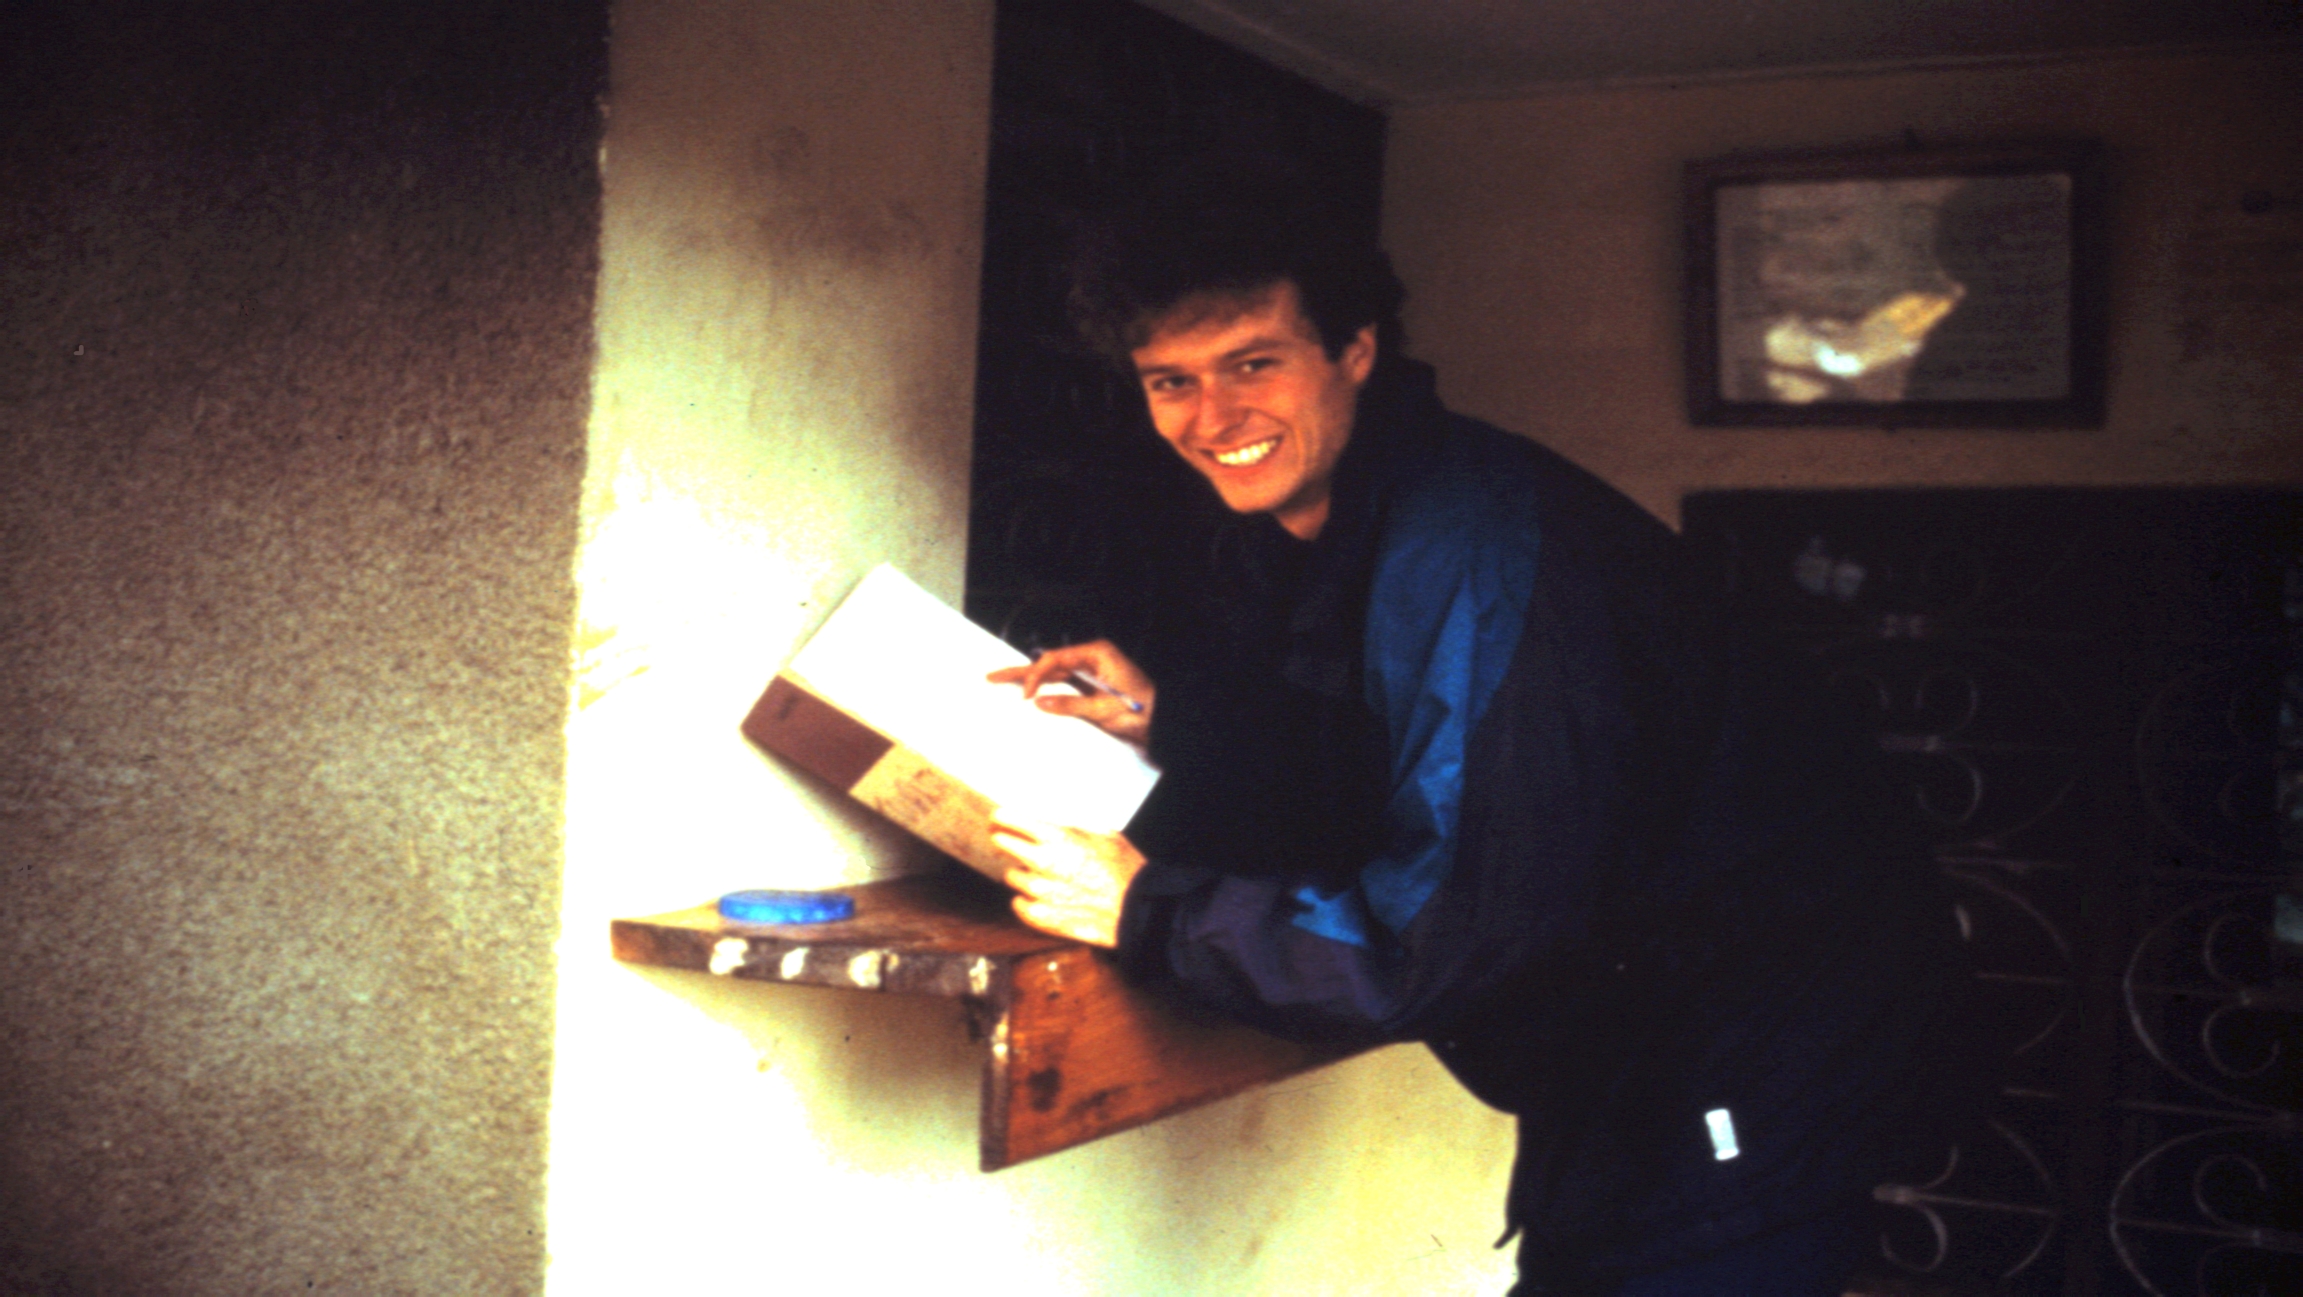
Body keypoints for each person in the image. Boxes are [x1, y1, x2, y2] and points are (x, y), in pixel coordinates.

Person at [983, 163, 1973, 1297]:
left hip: (1748, 1057)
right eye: (1171, 381)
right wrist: (1173, 720)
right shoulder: (1349, 513)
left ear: (1354, 349)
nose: (1213, 419)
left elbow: (1444, 933)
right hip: (1662, 1058)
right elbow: (1374, 756)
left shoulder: (1463, 543)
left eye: (1253, 363)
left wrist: (1146, 909)